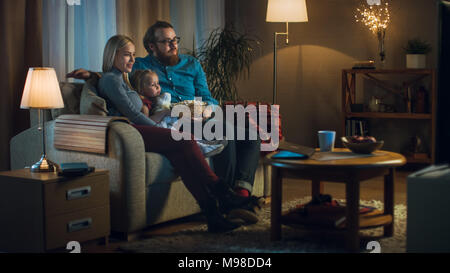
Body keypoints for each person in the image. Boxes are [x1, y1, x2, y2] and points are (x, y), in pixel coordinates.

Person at [67, 21, 261, 204]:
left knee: (251, 135)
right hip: (173, 118)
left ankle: (241, 192)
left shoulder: (192, 64)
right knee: (224, 132)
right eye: (166, 41)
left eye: (175, 39)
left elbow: (207, 96)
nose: (173, 44)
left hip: (198, 114)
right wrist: (92, 75)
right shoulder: (141, 65)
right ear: (152, 46)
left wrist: (206, 110)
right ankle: (226, 200)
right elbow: (115, 73)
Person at [96, 34, 251, 233]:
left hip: (137, 129)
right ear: (113, 54)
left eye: (134, 55)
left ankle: (212, 215)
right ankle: (222, 192)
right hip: (128, 132)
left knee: (180, 154)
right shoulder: (110, 79)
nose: (133, 60)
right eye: (127, 55)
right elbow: (132, 114)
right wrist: (160, 130)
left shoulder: (121, 78)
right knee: (184, 139)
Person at [130, 69, 225, 157]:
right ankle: (203, 148)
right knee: (184, 135)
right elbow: (146, 124)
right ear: (141, 89)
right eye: (152, 85)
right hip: (162, 130)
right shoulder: (145, 106)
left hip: (175, 122)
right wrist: (165, 113)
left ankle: (205, 144)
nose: (158, 87)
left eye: (158, 83)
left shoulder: (156, 101)